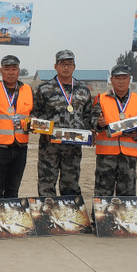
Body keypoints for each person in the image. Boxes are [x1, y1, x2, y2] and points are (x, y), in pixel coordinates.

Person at [31, 50, 92, 196]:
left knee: (71, 185)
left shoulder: (83, 90)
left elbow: (88, 115)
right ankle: (47, 217)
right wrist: (43, 130)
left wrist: (90, 130)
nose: (66, 67)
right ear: (56, 66)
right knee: (46, 184)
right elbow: (35, 113)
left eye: (69, 64)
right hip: (49, 146)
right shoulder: (44, 89)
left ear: (74, 67)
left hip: (73, 147)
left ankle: (71, 216)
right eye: (63, 64)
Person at [92, 64, 137, 197]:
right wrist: (99, 123)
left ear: (129, 79)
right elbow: (92, 119)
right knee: (103, 194)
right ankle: (98, 218)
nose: (121, 81)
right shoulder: (101, 99)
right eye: (117, 78)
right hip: (106, 156)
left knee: (127, 195)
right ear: (111, 80)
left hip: (129, 157)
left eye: (124, 78)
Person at [0, 55, 33, 199]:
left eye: (14, 69)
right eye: (7, 69)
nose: (11, 72)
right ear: (1, 71)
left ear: (19, 71)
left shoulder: (28, 89)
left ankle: (10, 219)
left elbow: (33, 115)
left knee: (13, 191)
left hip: (21, 147)